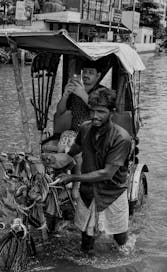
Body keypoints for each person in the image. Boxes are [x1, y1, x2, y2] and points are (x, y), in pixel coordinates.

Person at [54, 87, 132, 255]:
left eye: (101, 112)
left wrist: (73, 177)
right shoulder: (85, 128)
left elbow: (107, 173)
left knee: (120, 241)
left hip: (112, 192)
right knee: (86, 240)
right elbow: (75, 148)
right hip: (88, 192)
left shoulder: (121, 138)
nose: (95, 116)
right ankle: (85, 268)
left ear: (111, 112)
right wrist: (60, 160)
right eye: (92, 111)